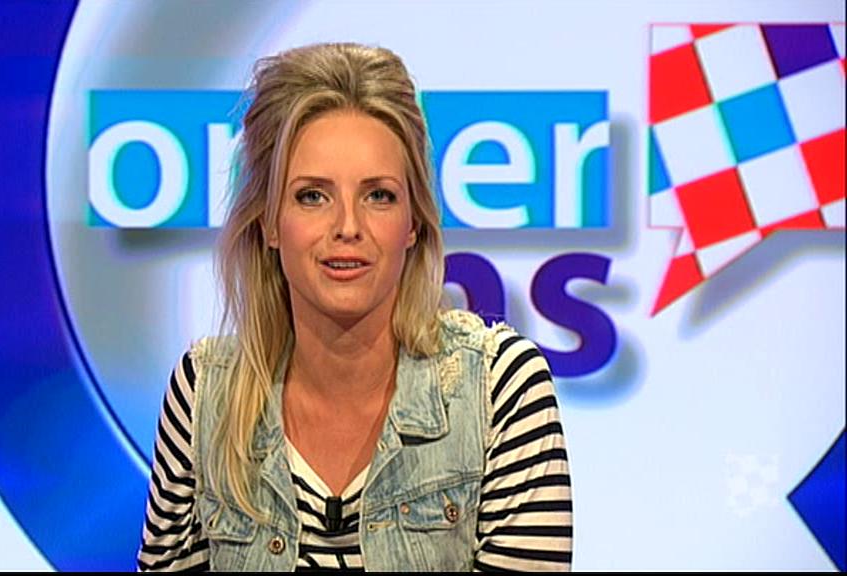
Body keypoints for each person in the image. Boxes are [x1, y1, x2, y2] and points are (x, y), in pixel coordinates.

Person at [137, 42, 572, 572]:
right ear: (269, 223)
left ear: (413, 222)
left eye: (378, 195)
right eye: (312, 196)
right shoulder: (205, 394)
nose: (347, 227)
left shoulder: (499, 388)